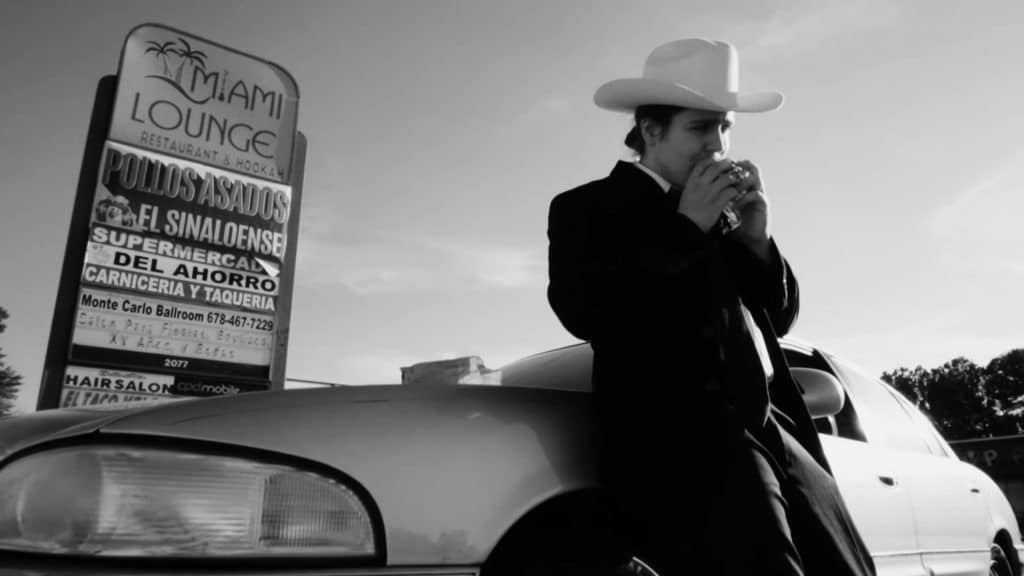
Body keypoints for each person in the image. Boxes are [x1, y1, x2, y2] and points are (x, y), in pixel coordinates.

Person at [546, 38, 876, 576]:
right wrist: (685, 230)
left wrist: (756, 239)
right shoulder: (587, 208)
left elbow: (778, 317)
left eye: (725, 127)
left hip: (777, 432)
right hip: (683, 449)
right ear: (651, 131)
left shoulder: (722, 212)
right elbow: (587, 312)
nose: (718, 145)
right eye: (701, 128)